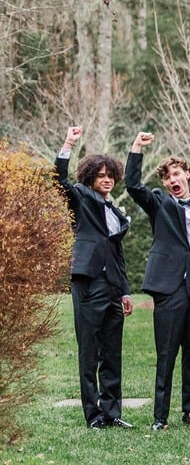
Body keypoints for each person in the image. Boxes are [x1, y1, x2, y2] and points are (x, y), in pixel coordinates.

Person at [125, 132, 190, 431]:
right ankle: (159, 417)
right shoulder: (160, 203)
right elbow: (133, 186)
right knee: (166, 355)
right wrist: (137, 149)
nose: (172, 180)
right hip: (168, 288)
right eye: (167, 177)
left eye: (176, 174)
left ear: (188, 174)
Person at [56, 126, 134, 429]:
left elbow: (118, 255)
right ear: (90, 177)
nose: (107, 179)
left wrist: (125, 291)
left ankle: (113, 413)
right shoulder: (82, 199)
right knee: (89, 351)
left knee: (112, 353)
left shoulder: (115, 212)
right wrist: (68, 143)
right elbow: (59, 181)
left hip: (114, 287)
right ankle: (94, 415)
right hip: (88, 282)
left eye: (110, 175)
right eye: (101, 175)